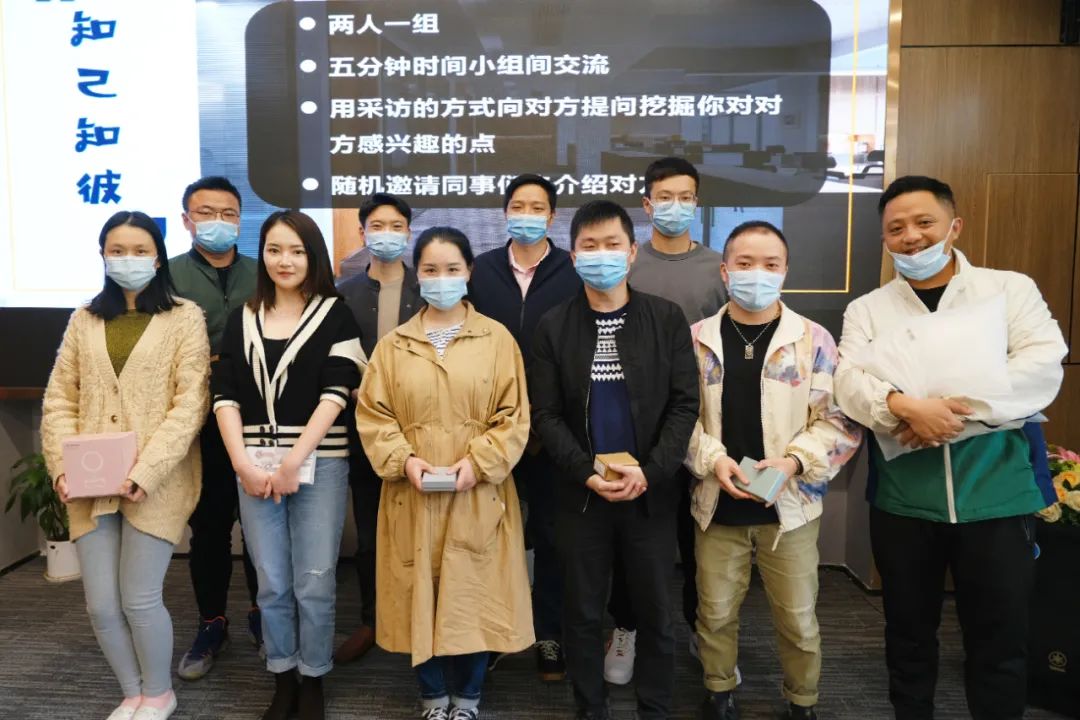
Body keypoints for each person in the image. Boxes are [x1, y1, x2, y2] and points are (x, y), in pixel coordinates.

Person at [834, 176, 1067, 720]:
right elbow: (847, 381)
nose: (911, 237)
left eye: (924, 223)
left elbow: (1039, 365)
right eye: (896, 229)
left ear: (953, 226)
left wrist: (944, 417)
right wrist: (902, 406)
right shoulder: (868, 309)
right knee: (908, 635)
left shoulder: (1008, 290)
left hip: (998, 498)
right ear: (885, 240)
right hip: (904, 502)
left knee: (999, 639)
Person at [686, 221, 863, 720]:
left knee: (799, 617)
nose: (756, 274)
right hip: (717, 502)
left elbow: (840, 421)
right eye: (744, 264)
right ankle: (719, 690)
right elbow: (678, 418)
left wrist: (793, 461)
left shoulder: (813, 339)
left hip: (791, 506)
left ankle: (802, 699)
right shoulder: (696, 339)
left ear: (785, 271)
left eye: (770, 264)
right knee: (715, 612)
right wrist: (714, 459)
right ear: (725, 271)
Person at [530, 200, 699, 720]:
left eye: (611, 245)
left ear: (631, 253)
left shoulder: (665, 318)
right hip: (580, 495)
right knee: (582, 612)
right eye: (589, 246)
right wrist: (585, 473)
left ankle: (656, 707)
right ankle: (590, 706)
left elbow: (684, 404)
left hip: (650, 493)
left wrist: (650, 472)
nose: (600, 255)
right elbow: (545, 414)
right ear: (573, 255)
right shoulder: (553, 325)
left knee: (656, 611)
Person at [356, 227, 534, 720]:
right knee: (420, 592)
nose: (441, 278)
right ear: (418, 275)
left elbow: (514, 416)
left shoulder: (497, 339)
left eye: (452, 269)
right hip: (411, 493)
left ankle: (468, 697)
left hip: (479, 491)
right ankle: (433, 697)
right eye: (431, 270)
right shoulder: (393, 345)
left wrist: (479, 462)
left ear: (469, 272)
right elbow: (373, 416)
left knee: (474, 593)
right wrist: (404, 460)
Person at [41, 211, 211, 720]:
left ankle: (159, 693)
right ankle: (132, 692)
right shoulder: (84, 318)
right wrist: (61, 468)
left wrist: (146, 471)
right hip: (89, 482)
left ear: (158, 258)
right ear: (102, 255)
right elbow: (59, 399)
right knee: (100, 604)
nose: (128, 260)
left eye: (140, 251)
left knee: (139, 598)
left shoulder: (185, 316)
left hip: (155, 483)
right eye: (117, 250)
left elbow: (191, 403)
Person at [212, 210, 365, 720]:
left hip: (319, 462)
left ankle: (314, 676)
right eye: (275, 250)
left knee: (315, 580)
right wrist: (242, 465)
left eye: (297, 251)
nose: (285, 260)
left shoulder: (336, 314)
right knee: (272, 580)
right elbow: (224, 395)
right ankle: (283, 675)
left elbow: (337, 393)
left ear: (313, 256)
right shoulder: (243, 317)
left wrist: (293, 462)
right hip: (253, 465)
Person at [606, 156, 727, 683]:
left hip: (705, 429)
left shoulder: (720, 267)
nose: (675, 206)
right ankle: (626, 628)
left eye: (685, 197)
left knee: (702, 542)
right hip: (639, 430)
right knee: (635, 542)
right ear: (647, 203)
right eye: (664, 197)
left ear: (696, 203)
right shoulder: (628, 264)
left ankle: (704, 633)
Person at [468, 173, 581, 680]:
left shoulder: (572, 271)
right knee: (492, 534)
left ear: (552, 216)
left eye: (538, 207)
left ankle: (549, 632)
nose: (527, 215)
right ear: (505, 212)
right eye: (518, 205)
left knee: (554, 537)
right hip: (491, 428)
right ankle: (494, 633)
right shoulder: (482, 270)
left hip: (554, 430)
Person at [169, 176, 262, 680]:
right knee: (208, 527)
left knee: (262, 525)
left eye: (228, 214)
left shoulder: (262, 272)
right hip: (197, 423)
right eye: (206, 213)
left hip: (259, 419)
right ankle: (212, 623)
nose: (218, 222)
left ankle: (263, 617)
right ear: (187, 219)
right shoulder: (167, 276)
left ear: (240, 220)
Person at [335, 192, 423, 664]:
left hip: (423, 430)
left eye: (396, 226)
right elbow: (332, 358)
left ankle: (419, 616)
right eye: (377, 226)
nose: (386, 234)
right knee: (370, 533)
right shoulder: (343, 292)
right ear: (362, 231)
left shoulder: (427, 287)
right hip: (364, 431)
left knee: (420, 529)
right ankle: (373, 618)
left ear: (408, 233)